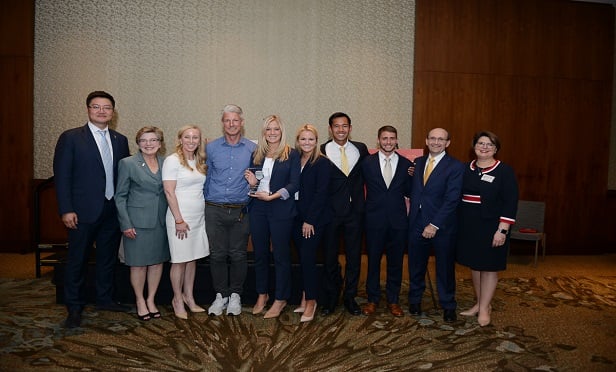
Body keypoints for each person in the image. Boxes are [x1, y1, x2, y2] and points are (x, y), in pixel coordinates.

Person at [53, 90, 130, 328]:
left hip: (111, 210)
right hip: (82, 211)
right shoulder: (71, 137)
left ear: (112, 112)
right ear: (88, 109)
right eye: (96, 107)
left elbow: (124, 177)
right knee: (77, 260)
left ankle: (104, 298)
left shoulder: (120, 140)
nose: (101, 111)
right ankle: (74, 307)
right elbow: (62, 176)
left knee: (107, 258)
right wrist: (66, 209)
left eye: (106, 107)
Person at [456, 130, 518, 327]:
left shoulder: (504, 171)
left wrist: (503, 229)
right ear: (474, 146)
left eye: (489, 144)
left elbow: (510, 202)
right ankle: (480, 302)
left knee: (489, 267)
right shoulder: (466, 168)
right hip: (469, 225)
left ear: (496, 149)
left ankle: (484, 308)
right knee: (475, 265)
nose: (484, 147)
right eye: (481, 143)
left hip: (492, 226)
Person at [203, 104, 256, 316]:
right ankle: (220, 295)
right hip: (214, 208)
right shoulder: (211, 147)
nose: (232, 124)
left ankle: (235, 295)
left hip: (240, 210)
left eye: (235, 120)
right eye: (227, 120)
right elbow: (203, 174)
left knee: (238, 255)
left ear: (242, 123)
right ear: (223, 123)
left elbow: (260, 178)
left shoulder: (253, 148)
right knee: (216, 255)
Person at [246, 115, 301, 319]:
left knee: (281, 255)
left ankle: (280, 298)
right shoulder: (257, 154)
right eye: (268, 129)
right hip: (258, 208)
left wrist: (273, 196)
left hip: (281, 208)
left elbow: (295, 183)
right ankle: (262, 294)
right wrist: (252, 183)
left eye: (276, 129)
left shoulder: (291, 154)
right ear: (263, 132)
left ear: (281, 131)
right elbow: (255, 182)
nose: (272, 133)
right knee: (260, 254)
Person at [408, 128, 464, 322]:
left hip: (442, 226)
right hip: (416, 222)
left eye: (441, 139)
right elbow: (417, 191)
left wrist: (434, 225)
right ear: (426, 140)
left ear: (448, 143)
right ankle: (414, 300)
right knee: (416, 265)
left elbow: (452, 200)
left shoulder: (456, 167)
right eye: (433, 138)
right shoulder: (419, 162)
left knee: (445, 267)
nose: (436, 142)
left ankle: (448, 304)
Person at [115, 126, 170, 321]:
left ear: (160, 143)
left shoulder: (167, 163)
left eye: (153, 140)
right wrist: (125, 224)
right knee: (137, 265)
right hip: (136, 223)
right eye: (144, 140)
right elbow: (120, 196)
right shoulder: (128, 163)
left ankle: (151, 299)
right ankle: (139, 300)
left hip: (161, 222)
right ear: (138, 143)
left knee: (156, 263)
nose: (149, 144)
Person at [320, 112, 369, 316]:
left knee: (354, 257)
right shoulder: (321, 150)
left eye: (345, 126)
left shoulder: (361, 149)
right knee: (330, 257)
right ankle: (332, 297)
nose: (341, 130)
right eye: (336, 126)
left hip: (355, 213)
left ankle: (350, 297)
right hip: (330, 213)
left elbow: (371, 172)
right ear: (330, 129)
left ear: (350, 128)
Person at [361, 126, 412, 317]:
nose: (388, 142)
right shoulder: (367, 163)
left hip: (398, 221)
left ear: (397, 140)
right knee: (372, 261)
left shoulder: (407, 165)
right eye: (384, 138)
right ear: (378, 140)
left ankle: (393, 300)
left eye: (392, 138)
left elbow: (409, 191)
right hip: (374, 220)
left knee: (396, 262)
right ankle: (372, 299)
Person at [162, 125, 210, 319]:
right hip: (180, 217)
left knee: (192, 259)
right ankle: (177, 300)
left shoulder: (198, 161)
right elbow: (168, 192)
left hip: (198, 217)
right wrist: (179, 220)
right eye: (187, 137)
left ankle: (189, 297)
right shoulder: (172, 160)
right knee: (180, 260)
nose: (191, 141)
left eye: (195, 137)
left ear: (199, 140)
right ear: (180, 139)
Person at [291, 124, 332, 322]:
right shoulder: (296, 159)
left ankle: (311, 301)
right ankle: (305, 295)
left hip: (313, 220)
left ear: (317, 141)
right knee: (301, 258)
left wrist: (310, 220)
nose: (307, 143)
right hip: (296, 216)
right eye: (303, 139)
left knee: (308, 258)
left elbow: (321, 194)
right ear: (298, 141)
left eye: (311, 139)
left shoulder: (322, 163)